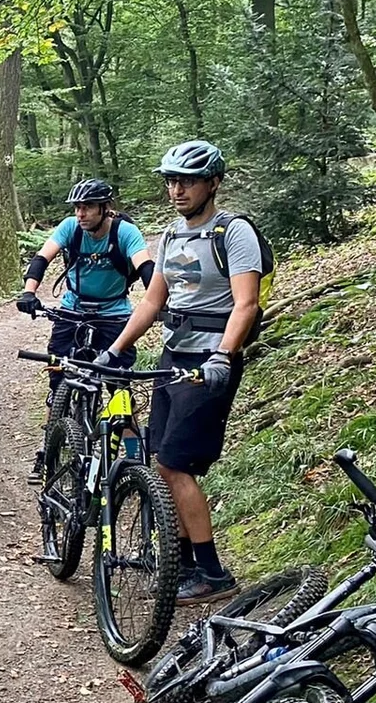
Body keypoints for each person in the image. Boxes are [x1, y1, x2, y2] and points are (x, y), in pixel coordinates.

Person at [95, 140, 261, 603]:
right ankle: (184, 565)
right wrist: (116, 350)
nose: (177, 190)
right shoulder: (169, 236)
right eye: (171, 181)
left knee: (174, 463)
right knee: (162, 459)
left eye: (187, 181)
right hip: (175, 357)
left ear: (213, 183)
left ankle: (212, 572)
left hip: (211, 360)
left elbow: (246, 304)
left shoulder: (233, 232)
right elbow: (152, 301)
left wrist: (223, 358)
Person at [16, 178, 155, 479]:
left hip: (114, 313)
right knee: (57, 382)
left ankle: (135, 459)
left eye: (88, 207)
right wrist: (29, 292)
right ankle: (47, 452)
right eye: (78, 207)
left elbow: (145, 268)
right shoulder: (70, 228)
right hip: (72, 309)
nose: (81, 214)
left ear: (106, 209)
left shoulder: (124, 232)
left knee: (120, 385)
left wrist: (158, 303)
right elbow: (42, 257)